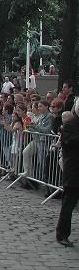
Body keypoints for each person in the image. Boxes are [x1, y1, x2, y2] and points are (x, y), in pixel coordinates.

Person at [56, 99, 79, 247]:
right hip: (74, 171)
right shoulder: (70, 124)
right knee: (68, 205)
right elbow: (70, 142)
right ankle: (62, 234)